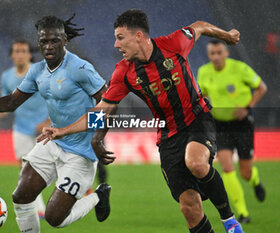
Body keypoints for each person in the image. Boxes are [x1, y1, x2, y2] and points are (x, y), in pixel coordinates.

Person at [38, 9, 244, 233]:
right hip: (167, 136)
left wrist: (227, 35)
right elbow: (102, 111)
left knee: (195, 162)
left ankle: (230, 222)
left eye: (120, 37)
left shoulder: (174, 43)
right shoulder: (124, 73)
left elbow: (200, 26)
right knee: (189, 207)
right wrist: (63, 131)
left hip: (197, 119)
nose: (116, 45)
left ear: (138, 36)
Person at [0, 15, 111, 233]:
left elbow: (108, 105)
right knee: (21, 196)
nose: (48, 46)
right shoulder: (37, 71)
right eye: (43, 41)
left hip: (80, 153)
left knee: (55, 218)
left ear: (65, 40)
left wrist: (98, 139)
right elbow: (12, 102)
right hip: (52, 142)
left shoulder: (80, 68)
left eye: (54, 40)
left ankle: (98, 195)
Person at [197, 39, 267, 223]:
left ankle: (255, 181)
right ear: (209, 55)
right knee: (227, 167)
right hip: (220, 126)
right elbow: (202, 95)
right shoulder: (204, 72)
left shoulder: (240, 69)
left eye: (219, 53)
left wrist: (247, 107)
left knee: (245, 172)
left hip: (242, 124)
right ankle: (243, 213)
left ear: (226, 53)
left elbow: (261, 88)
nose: (216, 57)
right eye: (212, 53)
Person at [0, 39, 49, 218]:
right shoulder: (7, 77)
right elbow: (9, 102)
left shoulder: (40, 71)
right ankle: (38, 208)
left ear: (29, 54)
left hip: (46, 129)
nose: (20, 54)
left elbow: (54, 96)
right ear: (11, 55)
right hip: (22, 128)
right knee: (25, 169)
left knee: (51, 168)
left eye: (24, 51)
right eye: (17, 51)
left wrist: (49, 121)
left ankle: (78, 192)